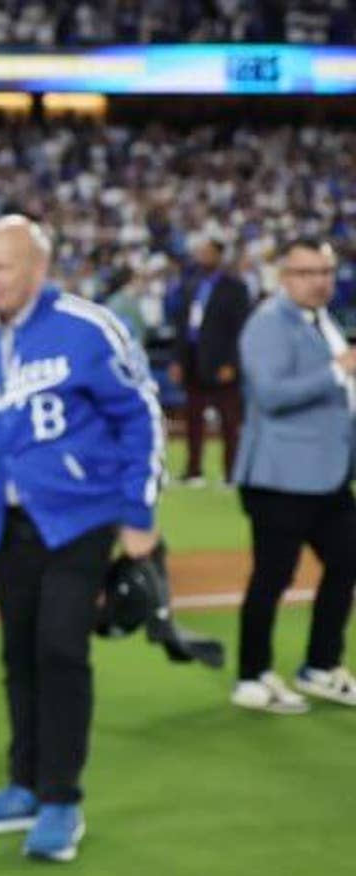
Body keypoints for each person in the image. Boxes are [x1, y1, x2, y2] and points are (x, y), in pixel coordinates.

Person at [0, 216, 164, 863]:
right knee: (19, 656)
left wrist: (139, 510)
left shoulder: (89, 327)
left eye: (1, 267)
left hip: (82, 519)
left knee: (60, 649)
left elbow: (142, 412)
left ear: (37, 269)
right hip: (9, 525)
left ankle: (62, 798)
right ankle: (23, 784)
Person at [227, 236, 356, 714]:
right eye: (307, 273)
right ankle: (251, 675)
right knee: (272, 578)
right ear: (284, 278)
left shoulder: (322, 323)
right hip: (279, 478)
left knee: (347, 563)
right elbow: (271, 393)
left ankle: (321, 666)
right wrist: (337, 370)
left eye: (325, 272)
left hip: (328, 475)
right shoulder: (267, 324)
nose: (320, 282)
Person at [171, 236, 252, 487]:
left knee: (229, 421)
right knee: (193, 419)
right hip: (194, 360)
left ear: (219, 255)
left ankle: (231, 473)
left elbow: (242, 329)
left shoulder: (235, 288)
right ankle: (194, 470)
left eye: (207, 252)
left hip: (221, 362)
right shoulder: (191, 285)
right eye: (200, 252)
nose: (202, 257)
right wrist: (177, 360)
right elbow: (183, 327)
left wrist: (233, 363)